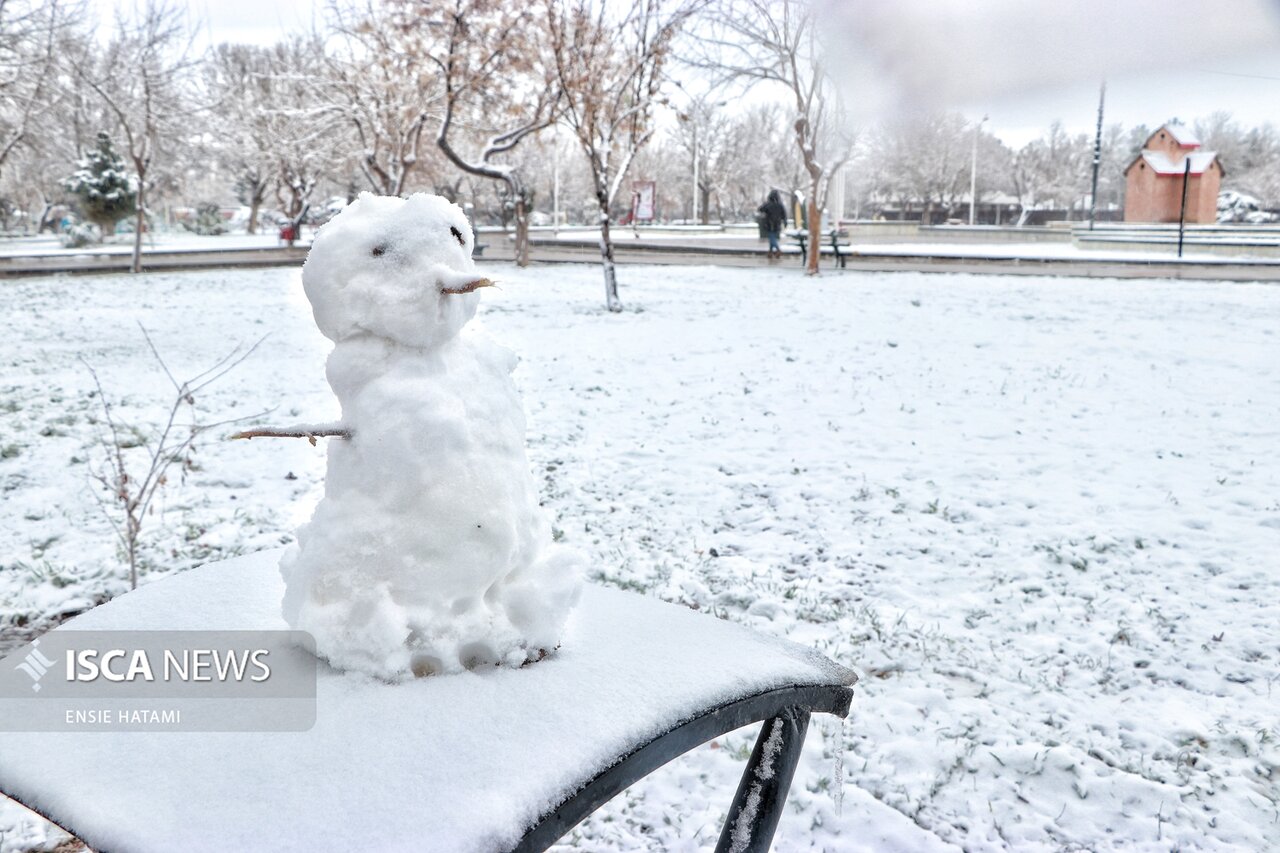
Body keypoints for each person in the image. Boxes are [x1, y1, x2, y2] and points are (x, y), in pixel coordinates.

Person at [758, 190, 787, 259]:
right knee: (773, 236)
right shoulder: (780, 205)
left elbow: (760, 209)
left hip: (769, 223)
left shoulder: (768, 204)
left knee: (771, 237)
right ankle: (770, 252)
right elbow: (784, 215)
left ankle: (777, 249)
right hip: (777, 223)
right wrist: (785, 222)